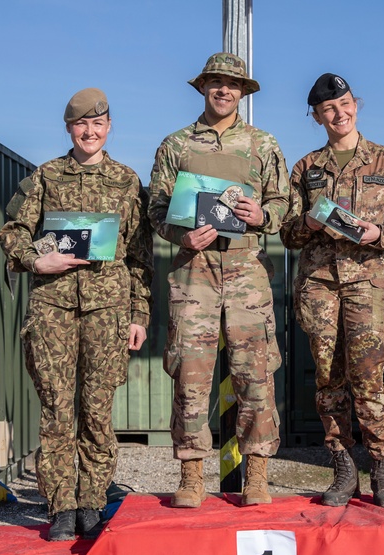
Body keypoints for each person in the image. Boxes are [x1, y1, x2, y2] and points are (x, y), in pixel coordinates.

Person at [0, 88, 153, 540]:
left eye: (98, 124)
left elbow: (140, 258)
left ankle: (93, 501)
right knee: (56, 408)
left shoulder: (127, 182)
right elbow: (13, 232)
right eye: (82, 124)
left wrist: (138, 314)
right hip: (53, 307)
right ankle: (61, 506)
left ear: (109, 127)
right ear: (70, 128)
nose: (90, 131)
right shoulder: (44, 177)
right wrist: (34, 260)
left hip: (108, 311)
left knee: (98, 411)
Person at [148, 53, 289, 508]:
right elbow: (156, 211)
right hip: (195, 269)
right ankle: (191, 475)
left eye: (233, 85)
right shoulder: (176, 145)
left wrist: (264, 214)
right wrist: (180, 234)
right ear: (203, 87)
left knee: (256, 373)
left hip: (247, 268)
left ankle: (257, 474)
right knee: (190, 372)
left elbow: (284, 203)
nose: (224, 91)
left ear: (243, 92)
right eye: (216, 83)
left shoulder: (263, 144)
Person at [281, 73, 384, 509]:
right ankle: (342, 467)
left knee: (369, 378)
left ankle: (383, 467)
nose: (339, 114)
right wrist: (308, 224)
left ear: (356, 104)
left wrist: (379, 232)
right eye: (328, 110)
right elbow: (286, 231)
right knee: (328, 378)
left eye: (344, 105)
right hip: (320, 285)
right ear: (317, 117)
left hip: (367, 284)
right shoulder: (306, 168)